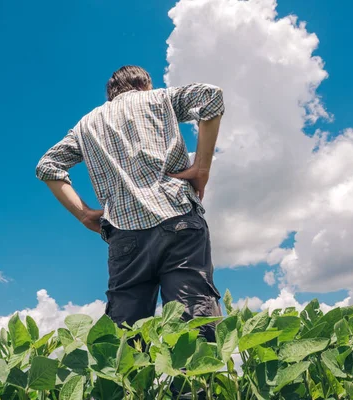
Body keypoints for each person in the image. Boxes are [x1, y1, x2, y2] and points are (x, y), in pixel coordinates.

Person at [35, 65, 224, 342]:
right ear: (144, 84)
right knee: (194, 317)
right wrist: (201, 168)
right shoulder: (159, 98)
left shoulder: (86, 125)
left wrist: (84, 214)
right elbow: (211, 97)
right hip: (178, 216)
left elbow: (46, 166)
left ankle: (130, 386)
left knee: (125, 332)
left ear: (111, 93)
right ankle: (192, 385)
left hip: (124, 235)